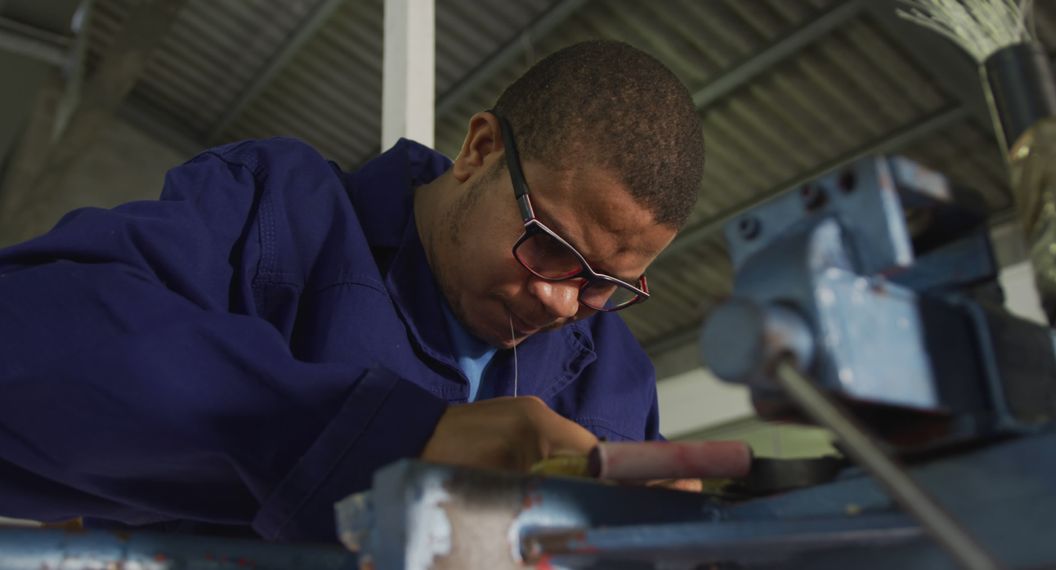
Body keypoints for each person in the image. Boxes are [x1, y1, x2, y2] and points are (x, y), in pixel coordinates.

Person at [0, 40, 704, 541]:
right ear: (480, 150)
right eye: (549, 245)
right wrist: (387, 440)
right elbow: (27, 336)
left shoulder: (612, 377)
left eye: (604, 284)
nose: (560, 302)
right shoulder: (277, 212)